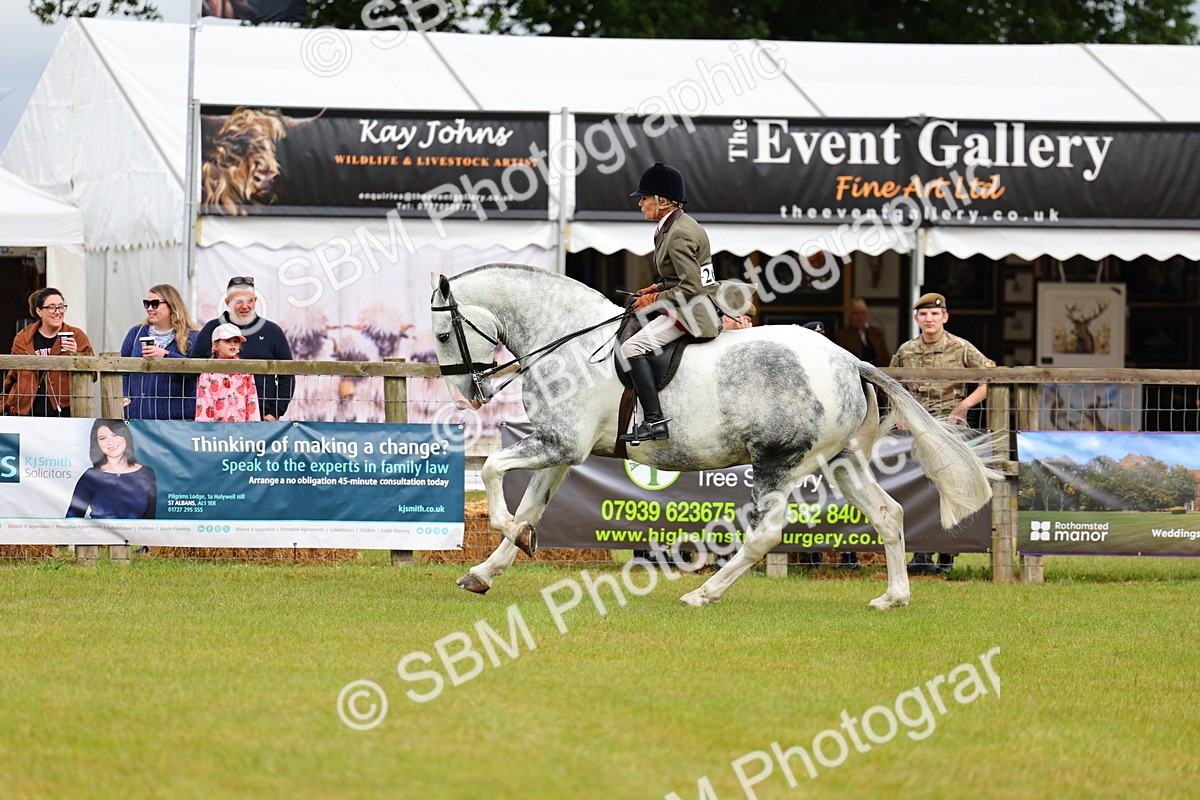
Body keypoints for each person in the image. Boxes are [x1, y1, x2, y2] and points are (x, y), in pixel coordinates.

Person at [890, 292, 996, 574]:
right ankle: (921, 555)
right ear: (916, 319)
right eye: (924, 314)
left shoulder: (961, 348)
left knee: (950, 488)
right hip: (917, 431)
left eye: (935, 314)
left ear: (945, 317)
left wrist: (964, 406)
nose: (929, 319)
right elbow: (892, 385)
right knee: (918, 490)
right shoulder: (906, 351)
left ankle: (947, 556)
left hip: (950, 429)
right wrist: (900, 412)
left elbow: (991, 378)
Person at [619, 162, 721, 444]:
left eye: (645, 198)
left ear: (663, 201)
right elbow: (679, 278)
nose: (640, 204)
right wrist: (654, 287)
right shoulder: (676, 225)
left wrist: (652, 299)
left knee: (631, 347)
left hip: (693, 313)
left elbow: (691, 288)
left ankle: (654, 421)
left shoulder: (679, 234)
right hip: (687, 303)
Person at [192, 276, 293, 421]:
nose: (245, 306)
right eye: (238, 301)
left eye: (250, 301)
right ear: (227, 302)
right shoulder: (211, 329)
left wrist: (273, 414)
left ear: (255, 301)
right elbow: (192, 370)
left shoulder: (273, 331)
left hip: (260, 419)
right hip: (216, 421)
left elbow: (288, 375)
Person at [2, 288, 94, 417]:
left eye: (61, 307)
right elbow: (12, 376)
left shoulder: (77, 336)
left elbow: (93, 375)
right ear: (39, 311)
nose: (58, 312)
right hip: (26, 411)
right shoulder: (23, 338)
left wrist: (76, 354)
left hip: (63, 411)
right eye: (52, 307)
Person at [120, 284, 201, 420]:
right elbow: (123, 370)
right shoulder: (136, 333)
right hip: (138, 418)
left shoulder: (192, 337)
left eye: (155, 304)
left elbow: (195, 373)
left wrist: (166, 355)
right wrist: (125, 395)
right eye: (147, 304)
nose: (150, 308)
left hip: (177, 421)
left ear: (171, 305)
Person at [66, 419, 157, 519]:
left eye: (114, 435)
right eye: (103, 438)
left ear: (125, 436)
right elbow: (72, 519)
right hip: (99, 534)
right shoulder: (91, 475)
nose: (110, 442)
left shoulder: (147, 473)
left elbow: (150, 520)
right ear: (97, 443)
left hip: (137, 534)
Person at [196, 324, 262, 422]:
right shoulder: (208, 373)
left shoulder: (245, 371)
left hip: (242, 428)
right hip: (217, 429)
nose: (233, 344)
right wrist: (206, 431)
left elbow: (252, 400)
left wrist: (254, 428)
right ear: (216, 346)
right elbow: (204, 403)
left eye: (236, 341)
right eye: (227, 341)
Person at [836, 297, 891, 367]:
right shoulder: (843, 335)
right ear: (850, 316)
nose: (859, 317)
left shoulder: (877, 333)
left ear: (866, 315)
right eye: (855, 313)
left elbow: (885, 357)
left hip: (877, 372)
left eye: (862, 313)